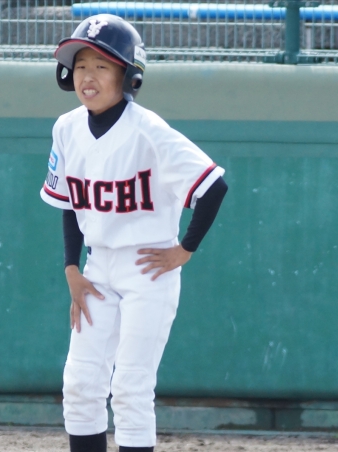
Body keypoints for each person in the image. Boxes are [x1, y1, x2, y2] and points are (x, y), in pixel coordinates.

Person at [40, 14, 228, 452]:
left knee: (130, 387)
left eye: (101, 66)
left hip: (149, 269)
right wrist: (71, 268)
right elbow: (69, 202)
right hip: (97, 267)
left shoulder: (149, 130)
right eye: (80, 65)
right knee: (81, 384)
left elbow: (213, 186)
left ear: (128, 75)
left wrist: (184, 250)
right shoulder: (66, 128)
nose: (87, 76)